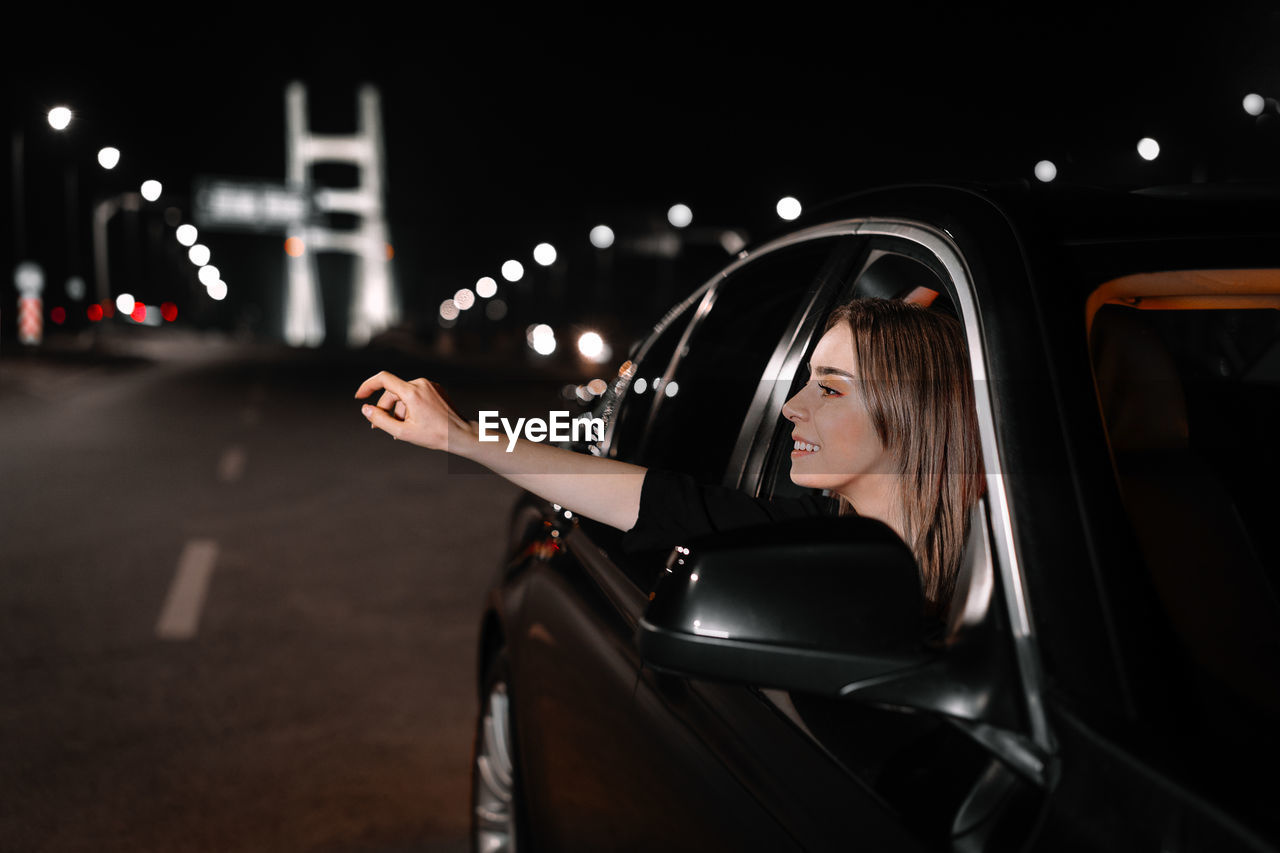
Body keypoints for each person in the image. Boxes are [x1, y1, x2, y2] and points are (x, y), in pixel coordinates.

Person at [356, 298, 985, 616]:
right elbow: (644, 496)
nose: (792, 408)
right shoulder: (791, 536)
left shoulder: (1002, 580)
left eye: (828, 386)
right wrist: (461, 437)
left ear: (910, 409)